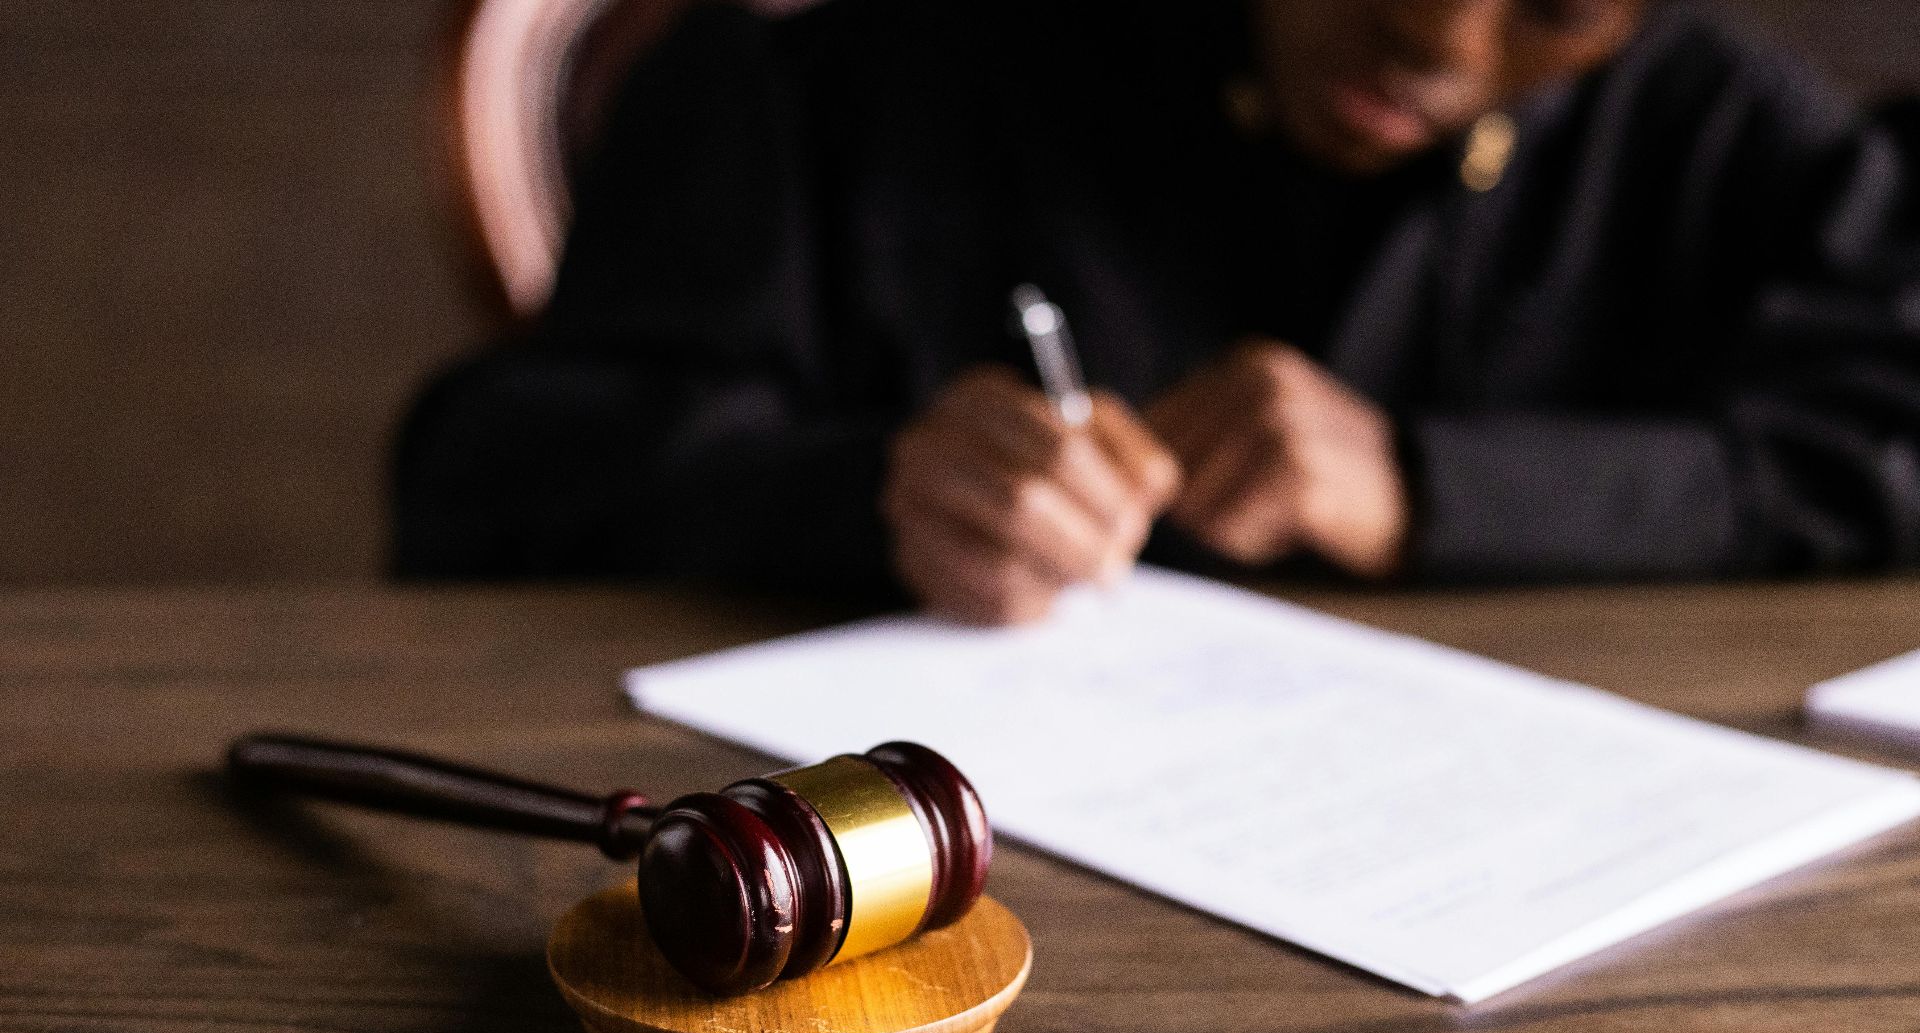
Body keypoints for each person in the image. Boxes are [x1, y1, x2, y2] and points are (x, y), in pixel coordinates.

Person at [395, 0, 1920, 624]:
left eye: (1554, 7)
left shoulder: (1708, 133)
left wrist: (1436, 489)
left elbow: (1885, 447)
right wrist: (864, 494)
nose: (1442, 37)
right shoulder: (851, 76)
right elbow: (483, 475)